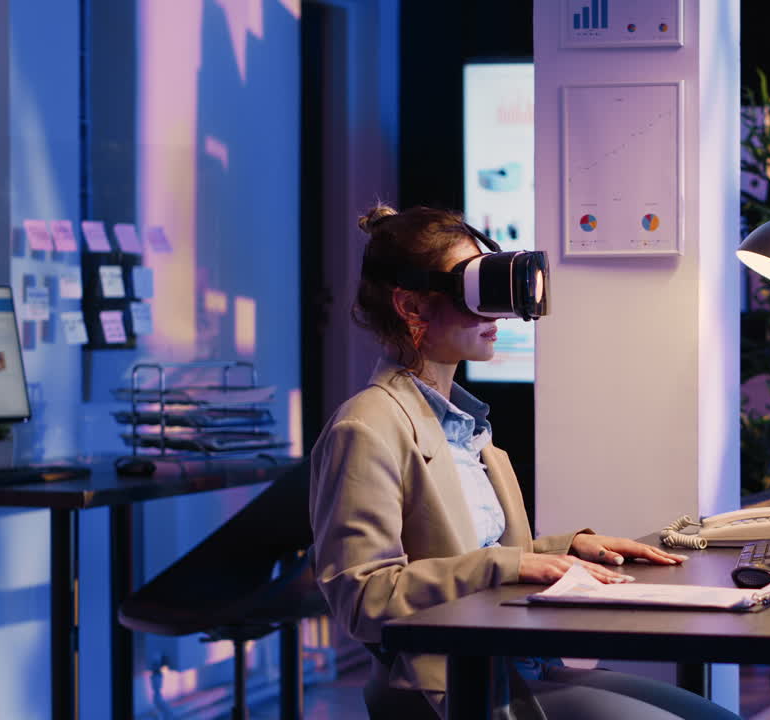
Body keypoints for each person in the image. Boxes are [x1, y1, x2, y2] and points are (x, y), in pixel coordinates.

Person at [310, 204, 740, 719]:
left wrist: (570, 547)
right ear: (411, 307)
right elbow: (363, 599)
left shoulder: (468, 427)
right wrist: (513, 564)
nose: (499, 314)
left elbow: (467, 550)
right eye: (476, 291)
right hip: (456, 686)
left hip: (520, 663)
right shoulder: (366, 427)